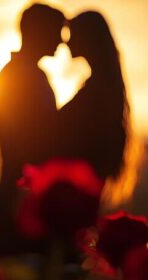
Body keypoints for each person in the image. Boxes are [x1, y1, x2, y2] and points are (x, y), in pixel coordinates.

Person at [0, 3, 65, 256]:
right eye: (57, 31)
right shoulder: (17, 78)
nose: (62, 40)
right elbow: (29, 141)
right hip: (18, 197)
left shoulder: (31, 75)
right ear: (38, 32)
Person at [59, 11, 128, 181]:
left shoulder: (96, 92)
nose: (66, 42)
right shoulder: (103, 86)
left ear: (88, 38)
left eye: (72, 34)